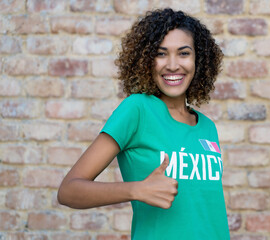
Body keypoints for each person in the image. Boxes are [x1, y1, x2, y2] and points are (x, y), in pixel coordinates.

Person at [57, 8, 230, 240]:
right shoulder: (137, 110)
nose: (172, 65)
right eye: (160, 54)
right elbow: (68, 191)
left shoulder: (207, 127)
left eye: (183, 53)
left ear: (199, 59)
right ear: (146, 60)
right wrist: (137, 190)